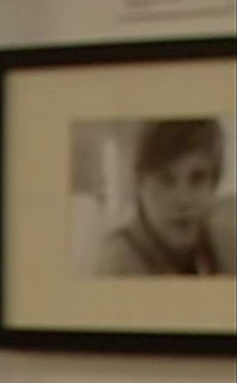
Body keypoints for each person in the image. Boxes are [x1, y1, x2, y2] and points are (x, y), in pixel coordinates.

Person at [95, 118, 234, 276]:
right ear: (140, 185)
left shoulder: (220, 247)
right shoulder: (115, 265)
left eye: (198, 178)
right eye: (165, 180)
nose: (183, 201)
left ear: (214, 183)